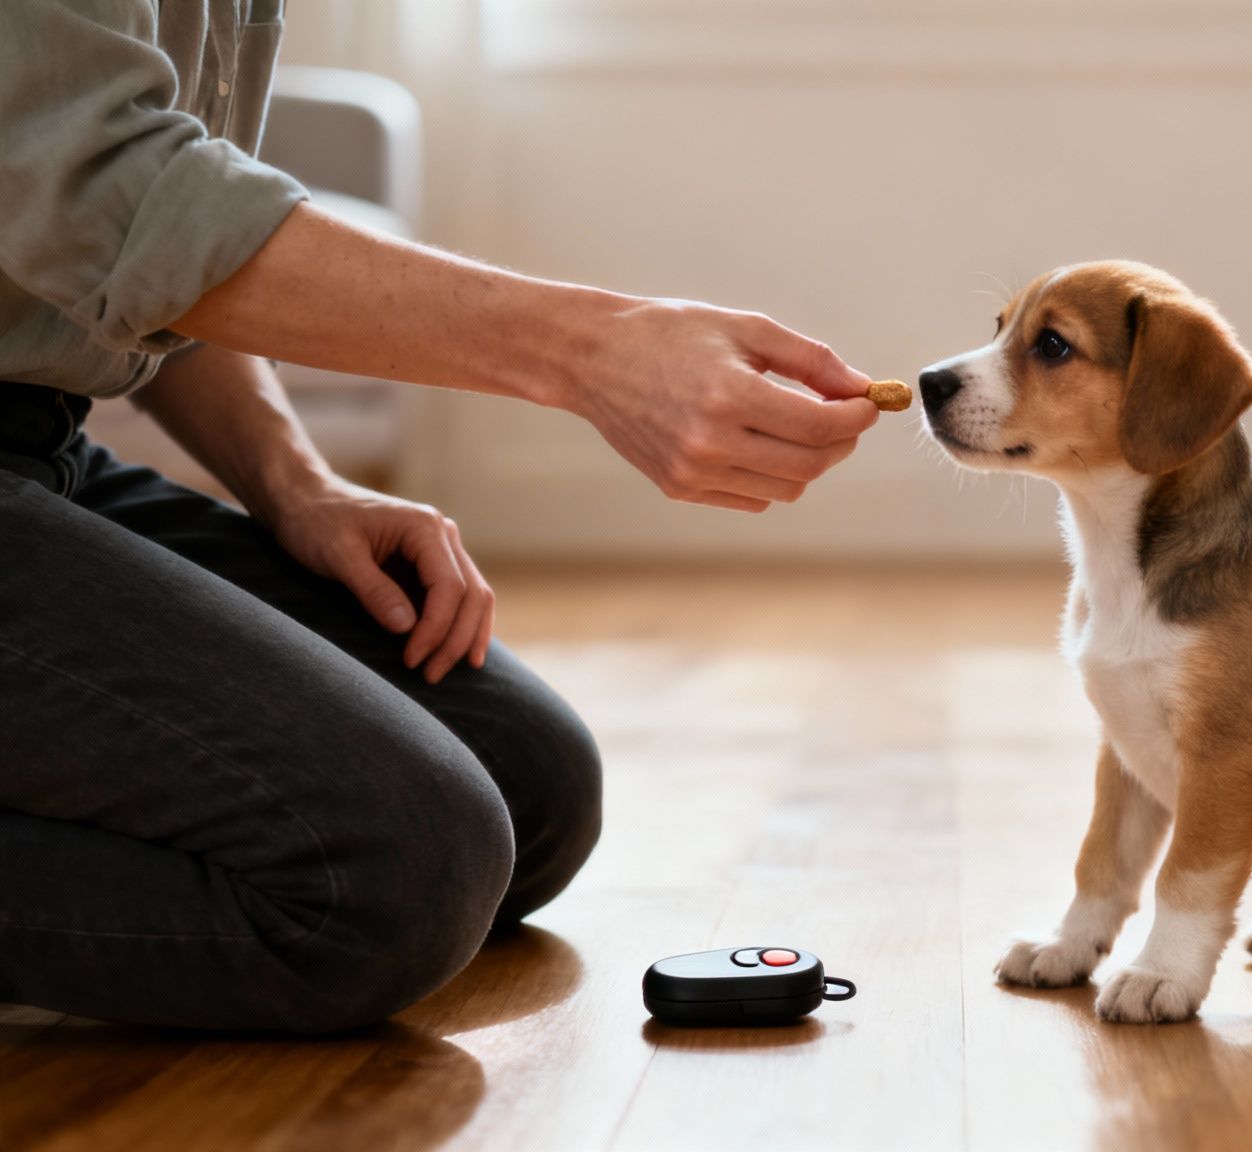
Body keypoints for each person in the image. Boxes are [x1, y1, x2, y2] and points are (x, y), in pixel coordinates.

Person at [0, 1, 881, 1032]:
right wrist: (593, 353)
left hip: (41, 435)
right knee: (390, 879)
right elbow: (107, 196)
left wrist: (297, 484)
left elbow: (156, 250)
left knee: (532, 786)